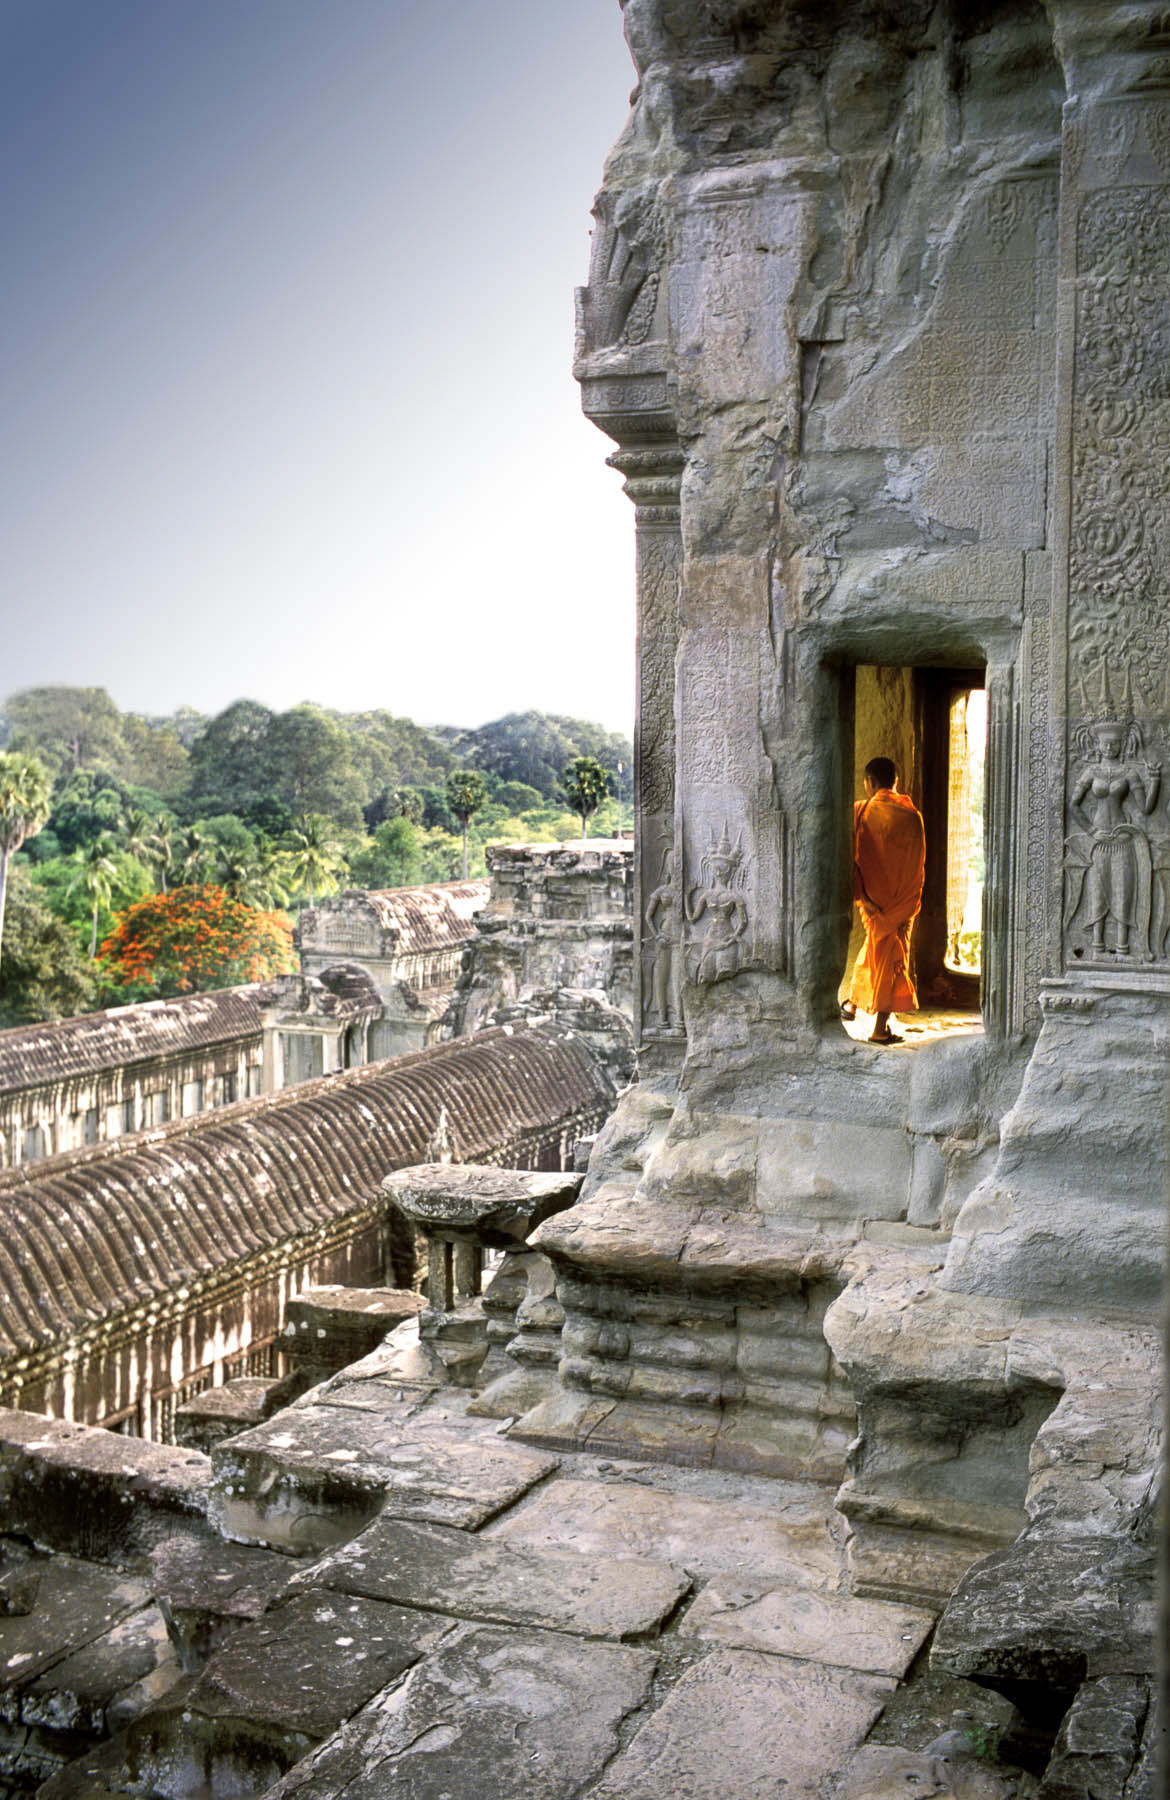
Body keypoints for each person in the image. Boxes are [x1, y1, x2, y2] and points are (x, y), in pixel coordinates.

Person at [841, 757, 925, 1045]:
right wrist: (908, 902)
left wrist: (862, 897)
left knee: (878, 950)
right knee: (891, 958)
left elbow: (849, 860)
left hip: (871, 902)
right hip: (901, 904)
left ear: (870, 782)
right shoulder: (913, 817)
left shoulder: (860, 811)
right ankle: (879, 1028)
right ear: (895, 782)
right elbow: (918, 865)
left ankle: (854, 1004)